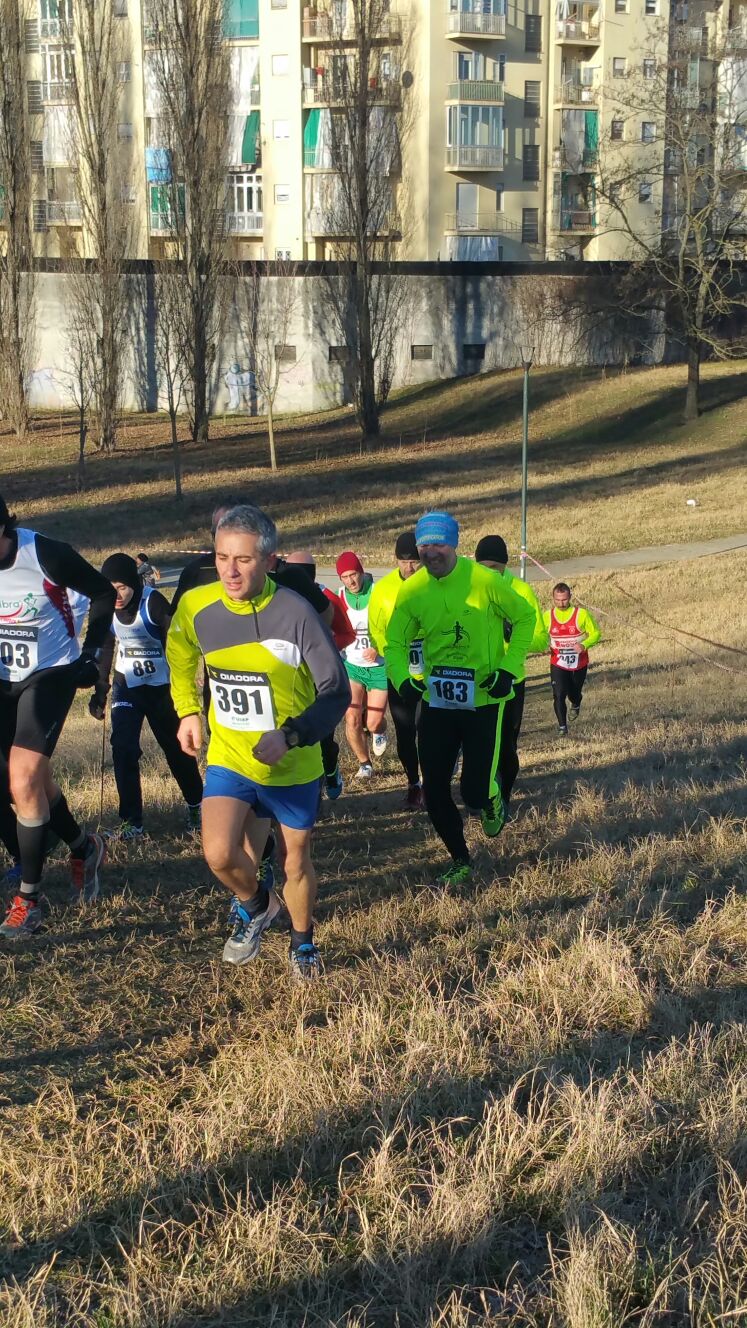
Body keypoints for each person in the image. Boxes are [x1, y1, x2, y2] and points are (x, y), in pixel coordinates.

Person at [167, 504, 350, 980]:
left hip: (292, 763)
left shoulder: (296, 613)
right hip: (231, 756)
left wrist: (291, 735)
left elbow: (336, 691)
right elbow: (180, 651)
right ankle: (257, 905)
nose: (229, 570)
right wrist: (187, 710)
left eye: (243, 560)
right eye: (222, 557)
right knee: (219, 853)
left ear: (268, 561)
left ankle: (302, 942)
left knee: (294, 862)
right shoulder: (197, 605)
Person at [385, 511, 535, 889]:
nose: (430, 552)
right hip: (438, 702)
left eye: (439, 543)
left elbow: (525, 618)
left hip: (483, 700)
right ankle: (459, 859)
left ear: (454, 544)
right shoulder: (413, 590)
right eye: (424, 545)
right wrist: (403, 680)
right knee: (434, 789)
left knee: (473, 792)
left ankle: (491, 796)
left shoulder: (484, 580)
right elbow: (395, 642)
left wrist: (508, 669)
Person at [0, 493, 114, 939]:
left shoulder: (44, 553)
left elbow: (103, 592)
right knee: (23, 780)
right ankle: (85, 847)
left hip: (50, 672)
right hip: (3, 678)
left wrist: (91, 653)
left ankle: (29, 901)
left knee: (24, 777)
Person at [89, 553, 203, 840]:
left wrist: (185, 684)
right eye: (111, 588)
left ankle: (196, 805)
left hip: (161, 688)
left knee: (176, 750)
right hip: (127, 685)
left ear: (134, 583)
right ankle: (132, 823)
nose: (116, 595)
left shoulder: (153, 603)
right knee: (123, 747)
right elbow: (106, 645)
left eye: (122, 587)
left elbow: (178, 645)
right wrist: (100, 690)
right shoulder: (106, 605)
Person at [475, 535, 548, 812]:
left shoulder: (520, 591)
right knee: (479, 744)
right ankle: (483, 793)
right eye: (483, 567)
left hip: (510, 681)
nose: (489, 573)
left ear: (505, 566)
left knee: (506, 745)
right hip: (477, 681)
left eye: (495, 568)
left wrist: (512, 633)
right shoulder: (469, 589)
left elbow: (541, 640)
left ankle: (503, 798)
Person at [284, 549, 355, 801]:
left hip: (319, 676)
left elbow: (348, 634)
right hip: (287, 678)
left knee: (322, 735)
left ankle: (331, 769)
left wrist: (321, 648)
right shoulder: (276, 596)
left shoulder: (327, 598)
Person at [368, 532, 426, 809]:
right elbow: (376, 629)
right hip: (399, 673)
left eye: (414, 561)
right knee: (405, 733)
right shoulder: (383, 589)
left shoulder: (434, 583)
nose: (410, 567)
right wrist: (393, 651)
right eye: (404, 562)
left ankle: (430, 781)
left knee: (428, 731)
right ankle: (413, 782)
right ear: (396, 561)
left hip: (429, 674)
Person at [337, 551, 388, 781]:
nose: (351, 581)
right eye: (345, 577)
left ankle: (378, 730)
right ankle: (365, 764)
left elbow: (392, 626)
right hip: (353, 666)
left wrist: (377, 646)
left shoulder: (378, 592)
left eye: (353, 574)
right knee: (352, 717)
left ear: (361, 571)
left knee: (373, 722)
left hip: (378, 667)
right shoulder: (339, 596)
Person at [543, 582, 601, 735]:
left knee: (573, 693)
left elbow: (596, 633)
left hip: (578, 663)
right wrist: (542, 644)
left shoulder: (581, 614)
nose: (561, 603)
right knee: (559, 694)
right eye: (557, 600)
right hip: (558, 661)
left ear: (570, 597)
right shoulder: (547, 616)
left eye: (564, 599)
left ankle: (576, 703)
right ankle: (562, 727)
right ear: (553, 598)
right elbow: (540, 635)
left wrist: (584, 644)